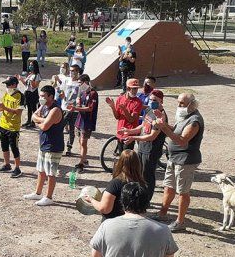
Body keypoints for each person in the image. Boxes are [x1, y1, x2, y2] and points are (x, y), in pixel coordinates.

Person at [153, 93, 204, 232]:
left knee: (183, 192)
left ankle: (180, 222)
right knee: (168, 186)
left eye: (182, 103)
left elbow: (182, 141)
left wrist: (163, 128)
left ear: (191, 104)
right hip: (174, 158)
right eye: (178, 102)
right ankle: (162, 214)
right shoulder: (184, 116)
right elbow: (175, 130)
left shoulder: (194, 121)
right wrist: (164, 124)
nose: (179, 106)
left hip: (185, 161)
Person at [121, 89, 167, 200]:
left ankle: (147, 200)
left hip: (151, 150)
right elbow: (142, 126)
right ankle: (140, 196)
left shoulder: (161, 117)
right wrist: (129, 131)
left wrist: (133, 138)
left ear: (161, 101)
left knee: (148, 176)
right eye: (150, 99)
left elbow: (152, 136)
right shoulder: (149, 110)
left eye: (155, 100)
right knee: (140, 174)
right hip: (142, 147)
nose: (152, 102)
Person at [23, 85, 64, 206]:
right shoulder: (44, 106)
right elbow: (33, 116)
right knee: (41, 170)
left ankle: (49, 197)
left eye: (43, 96)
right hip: (43, 144)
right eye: (40, 96)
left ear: (51, 96)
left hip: (53, 146)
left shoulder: (55, 110)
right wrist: (43, 120)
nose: (41, 98)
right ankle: (38, 192)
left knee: (51, 173)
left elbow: (44, 126)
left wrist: (40, 122)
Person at [87, 150, 146, 221]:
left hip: (113, 224)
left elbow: (105, 209)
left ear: (120, 163)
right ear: (138, 164)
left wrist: (91, 200)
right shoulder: (142, 185)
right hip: (134, 224)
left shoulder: (115, 184)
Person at [0, 76, 24, 178]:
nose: (7, 86)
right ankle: (7, 164)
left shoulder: (20, 96)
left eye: (8, 84)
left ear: (14, 84)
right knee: (4, 146)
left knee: (14, 147)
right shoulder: (7, 93)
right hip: (3, 124)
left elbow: (18, 112)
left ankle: (17, 168)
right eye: (6, 84)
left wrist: (4, 108)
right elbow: (3, 107)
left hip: (13, 127)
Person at [106, 78, 142, 153]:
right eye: (134, 89)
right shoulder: (120, 99)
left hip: (129, 134)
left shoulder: (138, 102)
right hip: (120, 132)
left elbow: (131, 120)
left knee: (126, 158)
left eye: (136, 88)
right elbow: (117, 117)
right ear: (128, 88)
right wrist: (112, 106)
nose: (136, 91)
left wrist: (125, 110)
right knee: (121, 156)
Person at [70, 74, 98, 169]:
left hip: (87, 122)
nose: (79, 85)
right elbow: (81, 105)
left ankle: (81, 163)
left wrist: (76, 108)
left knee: (83, 142)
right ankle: (84, 159)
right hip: (79, 120)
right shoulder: (82, 92)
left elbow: (90, 109)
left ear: (86, 82)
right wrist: (78, 103)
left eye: (80, 83)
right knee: (80, 141)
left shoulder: (93, 93)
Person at [59, 65, 80, 156]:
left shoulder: (80, 82)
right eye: (71, 70)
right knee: (60, 127)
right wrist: (62, 95)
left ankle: (69, 147)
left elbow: (84, 94)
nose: (72, 73)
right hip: (65, 108)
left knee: (72, 129)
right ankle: (60, 147)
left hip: (75, 110)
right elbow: (61, 90)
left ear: (78, 71)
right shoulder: (66, 80)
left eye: (74, 71)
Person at [20, 61, 41, 128]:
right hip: (27, 93)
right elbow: (26, 84)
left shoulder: (37, 75)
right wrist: (20, 79)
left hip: (33, 93)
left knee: (33, 108)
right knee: (29, 108)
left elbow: (34, 86)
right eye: (30, 65)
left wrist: (32, 81)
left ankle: (33, 122)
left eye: (32, 65)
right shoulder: (30, 75)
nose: (30, 66)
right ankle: (28, 121)